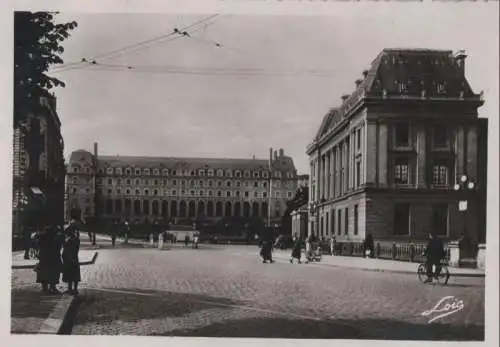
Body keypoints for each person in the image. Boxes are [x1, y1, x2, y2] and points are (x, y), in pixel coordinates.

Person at [36, 224, 62, 294]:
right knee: (53, 273)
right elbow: (58, 248)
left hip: (44, 258)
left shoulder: (42, 238)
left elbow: (37, 242)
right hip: (53, 258)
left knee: (44, 273)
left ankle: (45, 288)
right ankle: (52, 287)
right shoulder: (55, 239)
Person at [62, 220, 81, 295]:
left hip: (70, 257)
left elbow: (66, 246)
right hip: (73, 257)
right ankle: (73, 289)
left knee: (71, 273)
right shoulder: (75, 238)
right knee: (74, 273)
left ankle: (71, 289)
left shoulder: (72, 239)